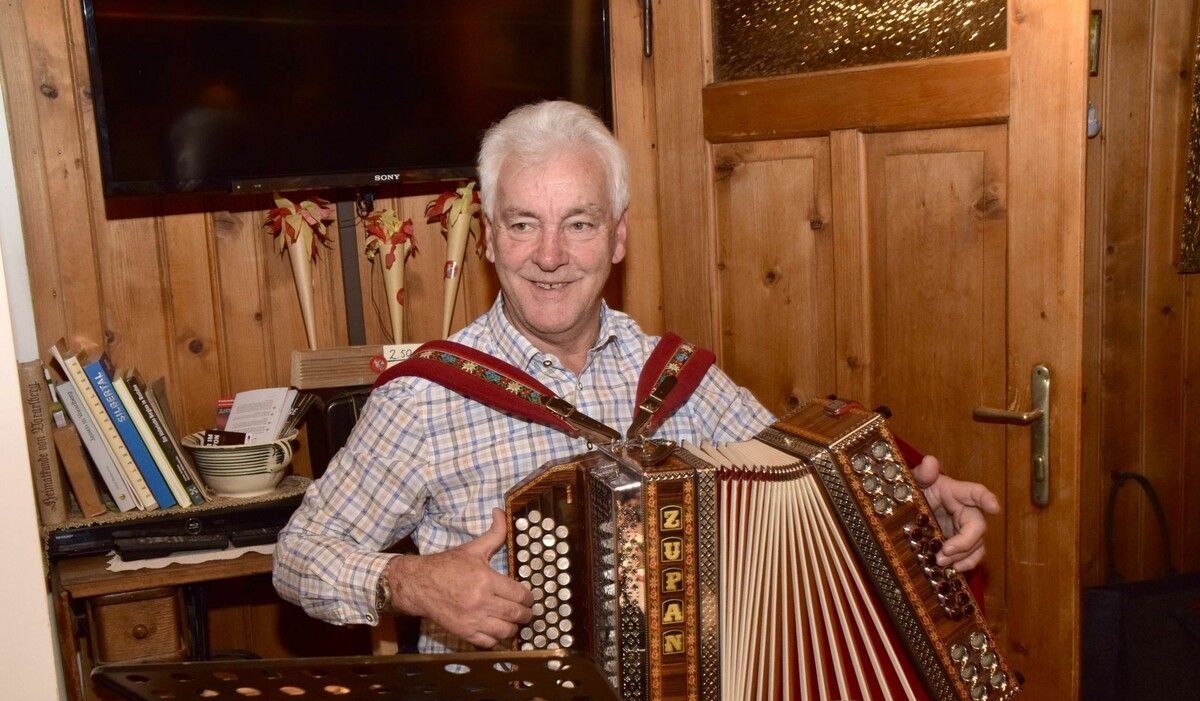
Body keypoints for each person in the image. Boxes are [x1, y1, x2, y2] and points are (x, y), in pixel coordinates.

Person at [272, 100, 998, 653]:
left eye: (579, 223)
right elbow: (298, 557)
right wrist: (409, 581)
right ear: (490, 238)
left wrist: (917, 509)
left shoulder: (681, 379)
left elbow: (810, 495)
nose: (549, 254)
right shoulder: (425, 397)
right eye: (524, 223)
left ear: (618, 237)